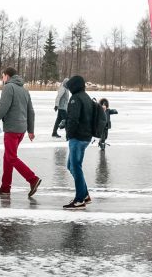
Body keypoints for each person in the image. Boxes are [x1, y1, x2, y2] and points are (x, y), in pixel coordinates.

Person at [0, 67, 41, 198]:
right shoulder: (24, 90)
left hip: (12, 128)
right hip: (21, 129)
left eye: (3, 76)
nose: (2, 79)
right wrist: (31, 130)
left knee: (11, 157)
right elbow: (31, 111)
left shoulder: (8, 87)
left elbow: (3, 108)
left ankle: (32, 179)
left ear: (7, 76)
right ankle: (5, 187)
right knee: (7, 157)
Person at [63, 75, 101, 209]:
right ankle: (84, 195)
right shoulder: (86, 97)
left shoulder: (75, 99)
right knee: (71, 166)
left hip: (77, 138)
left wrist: (69, 134)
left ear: (74, 86)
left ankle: (79, 200)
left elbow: (74, 119)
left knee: (76, 167)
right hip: (85, 137)